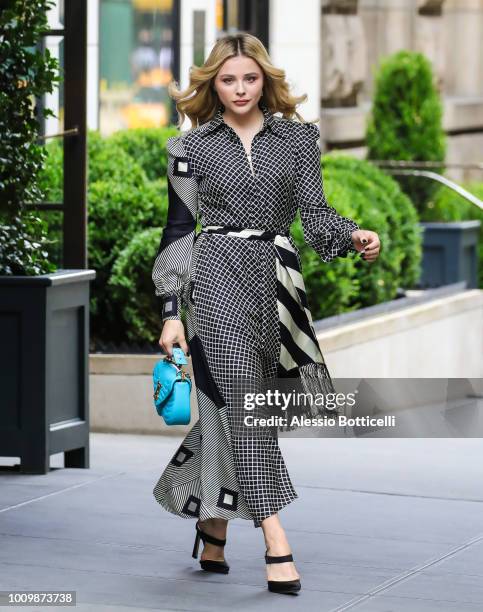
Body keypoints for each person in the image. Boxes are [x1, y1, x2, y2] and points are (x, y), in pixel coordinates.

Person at [151, 32, 380, 595]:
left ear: (265, 80)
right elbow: (180, 232)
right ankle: (277, 541)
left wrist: (351, 235)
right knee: (245, 404)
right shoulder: (192, 148)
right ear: (213, 84)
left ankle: (212, 525)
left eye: (249, 79)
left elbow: (314, 211)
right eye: (227, 80)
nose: (239, 89)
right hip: (216, 279)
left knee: (233, 408)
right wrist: (171, 310)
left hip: (276, 285)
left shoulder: (298, 139)